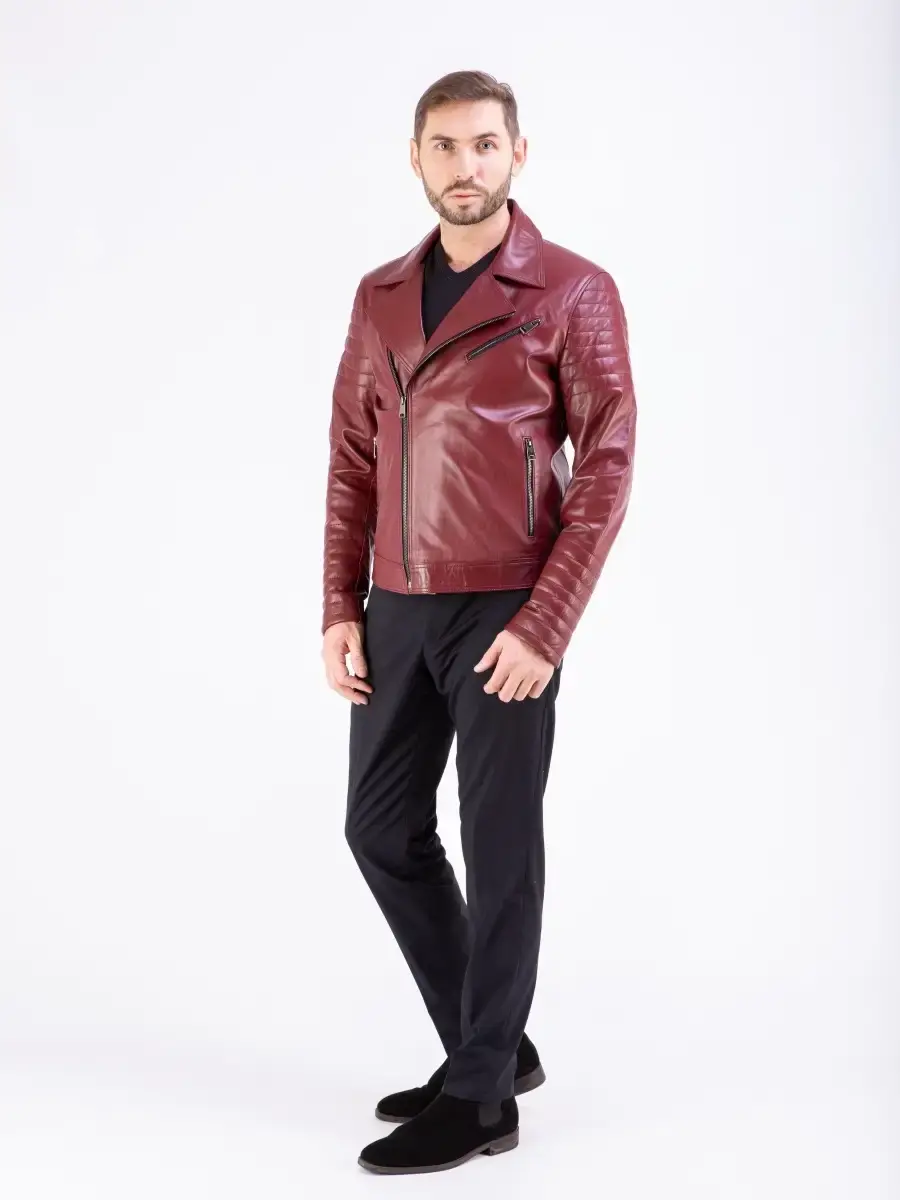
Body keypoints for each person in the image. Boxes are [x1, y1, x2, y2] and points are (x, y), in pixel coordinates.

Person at [320, 69, 637, 1175]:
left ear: (518, 155)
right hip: (396, 606)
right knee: (380, 830)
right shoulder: (380, 295)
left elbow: (606, 465)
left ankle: (483, 1095)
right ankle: (489, 1047)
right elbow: (352, 457)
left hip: (508, 604)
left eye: (485, 145)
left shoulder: (571, 290)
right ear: (416, 159)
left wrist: (547, 624)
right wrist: (338, 605)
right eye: (446, 147)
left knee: (500, 846)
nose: (467, 166)